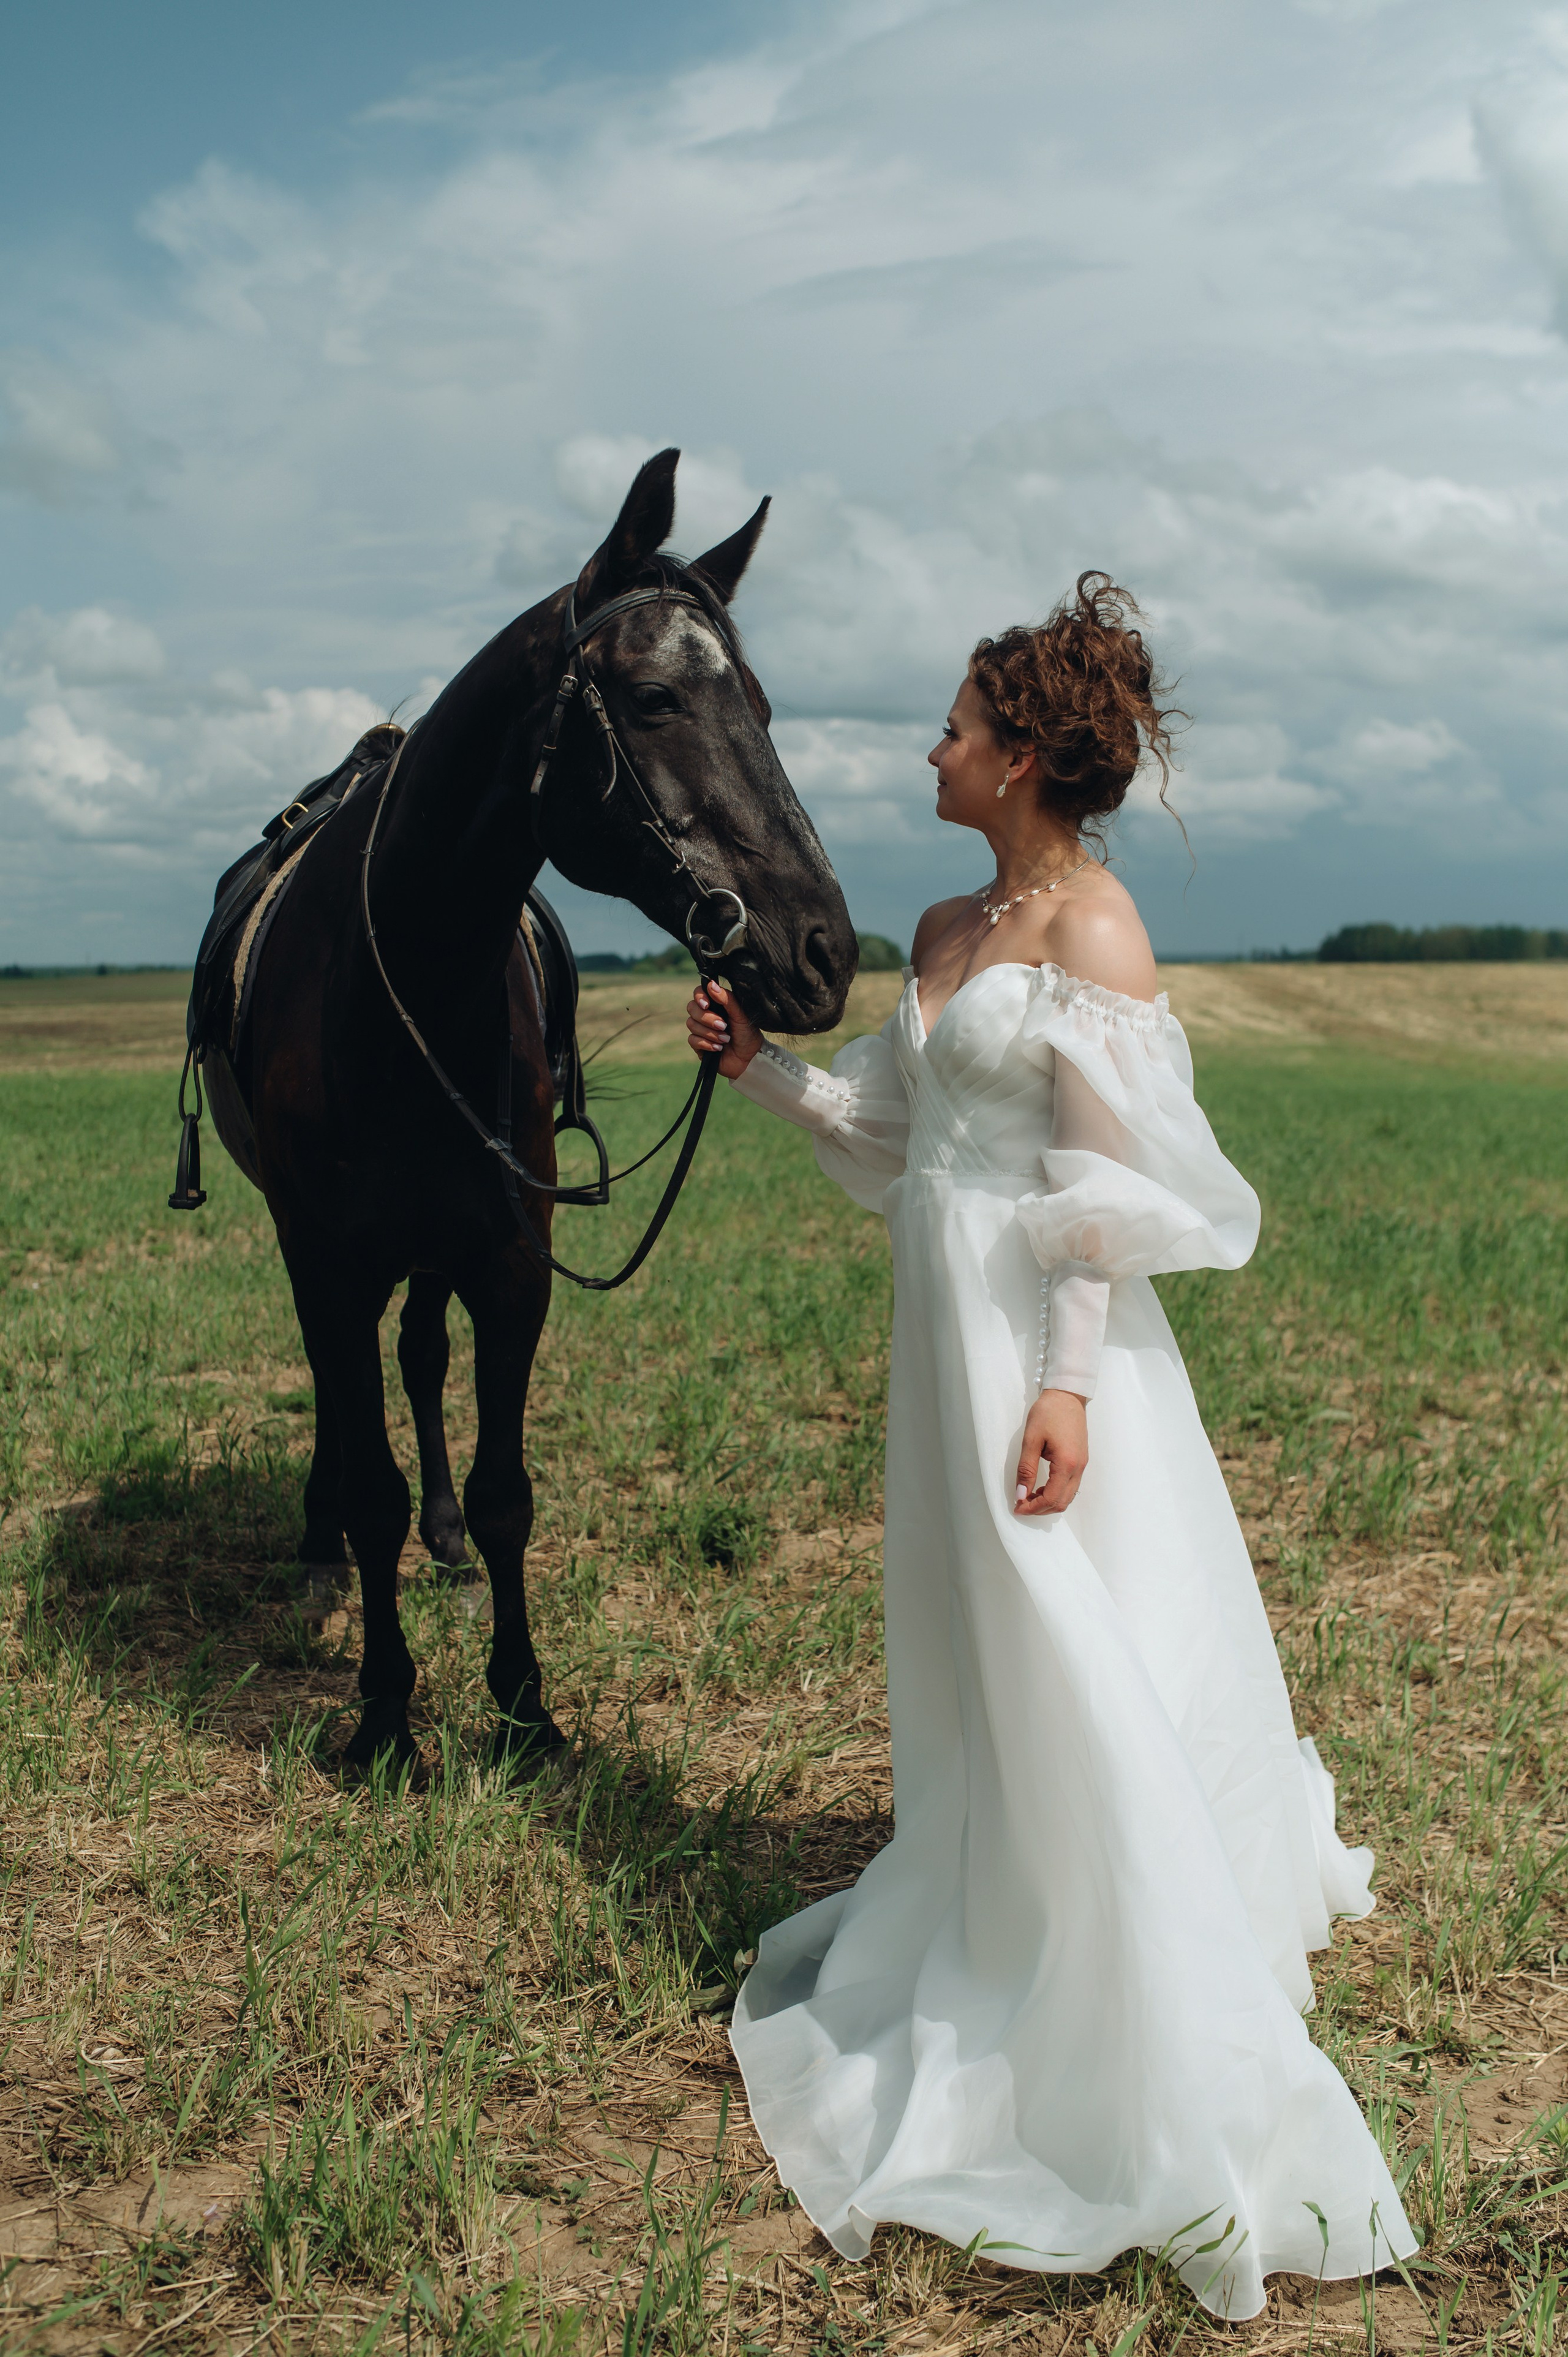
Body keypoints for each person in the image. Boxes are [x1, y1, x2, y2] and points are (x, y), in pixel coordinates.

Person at [684, 575, 1415, 2319]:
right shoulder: (946, 929)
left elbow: (1099, 1187)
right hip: (939, 1336)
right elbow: (891, 1125)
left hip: (1037, 1341)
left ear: (1019, 755)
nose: (930, 745)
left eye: (954, 724)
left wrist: (1071, 1386)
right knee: (976, 1635)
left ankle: (1119, 1956)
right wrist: (758, 1072)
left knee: (1064, 1622)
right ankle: (1002, 1862)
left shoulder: (1096, 934)